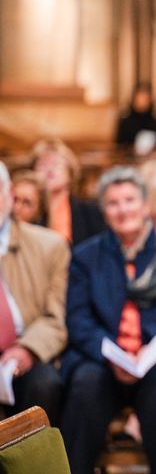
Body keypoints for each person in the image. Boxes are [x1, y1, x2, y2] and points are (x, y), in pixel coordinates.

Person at [60, 167, 156, 474]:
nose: (122, 209)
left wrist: (150, 349)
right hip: (103, 358)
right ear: (104, 211)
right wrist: (112, 353)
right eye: (113, 203)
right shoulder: (87, 257)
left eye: (129, 200)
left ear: (145, 206)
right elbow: (78, 319)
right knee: (84, 386)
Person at [0, 161, 69, 425]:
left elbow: (56, 316)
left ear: (8, 195)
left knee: (45, 385)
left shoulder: (49, 246)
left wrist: (27, 349)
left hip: (26, 344)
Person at [31, 138, 106, 245]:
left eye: (55, 164)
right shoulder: (28, 210)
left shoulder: (90, 211)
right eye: (42, 164)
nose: (49, 170)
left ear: (70, 173)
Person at [116, 82, 156, 156]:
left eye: (145, 99)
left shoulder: (155, 122)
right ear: (133, 100)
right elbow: (120, 146)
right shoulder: (126, 122)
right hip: (129, 159)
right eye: (139, 98)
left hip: (150, 159)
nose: (142, 102)